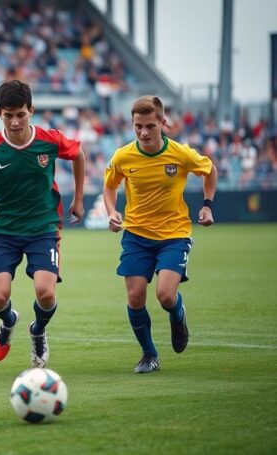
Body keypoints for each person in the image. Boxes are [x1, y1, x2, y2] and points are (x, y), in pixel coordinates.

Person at [0, 80, 85, 368]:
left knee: (45, 292)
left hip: (43, 226)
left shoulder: (50, 140)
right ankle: (8, 322)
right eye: (8, 116)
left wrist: (78, 199)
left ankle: (38, 331)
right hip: (3, 229)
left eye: (21, 114)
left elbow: (78, 154)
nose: (15, 122)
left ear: (31, 110)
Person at [103, 95, 217, 374]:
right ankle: (149, 354)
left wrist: (207, 205)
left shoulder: (180, 154)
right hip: (136, 236)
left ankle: (178, 316)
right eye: (138, 126)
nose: (143, 132)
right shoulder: (123, 156)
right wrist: (111, 212)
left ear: (163, 122)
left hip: (173, 235)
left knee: (165, 295)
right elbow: (109, 187)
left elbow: (210, 169)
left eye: (150, 126)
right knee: (135, 297)